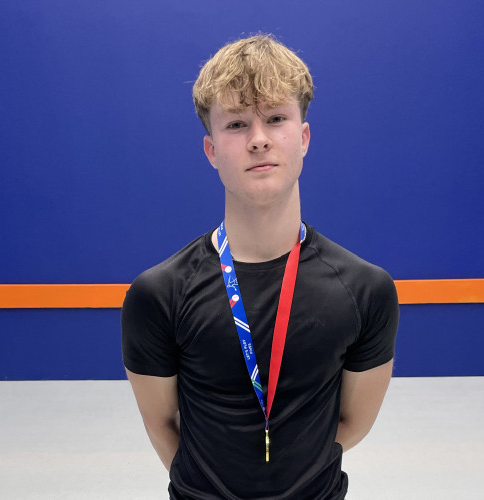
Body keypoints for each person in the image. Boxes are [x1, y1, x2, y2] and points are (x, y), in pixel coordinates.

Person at [121, 34, 399, 499]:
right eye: (236, 124)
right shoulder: (159, 294)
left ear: (304, 138)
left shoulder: (365, 291)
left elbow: (353, 422)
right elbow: (162, 423)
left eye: (275, 118)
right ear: (211, 150)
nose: (259, 139)